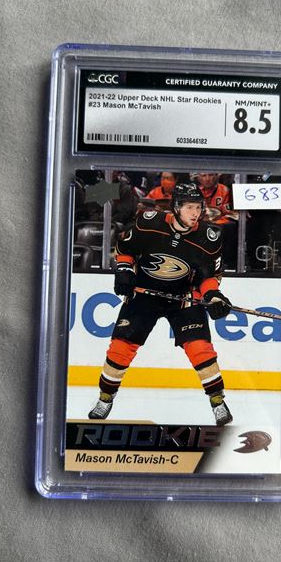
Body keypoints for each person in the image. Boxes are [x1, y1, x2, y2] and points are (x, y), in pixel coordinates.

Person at [88, 182, 234, 426]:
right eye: (189, 207)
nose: (196, 213)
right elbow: (125, 248)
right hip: (145, 294)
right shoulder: (149, 223)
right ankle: (105, 398)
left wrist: (213, 296)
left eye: (198, 207)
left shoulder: (209, 238)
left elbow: (208, 277)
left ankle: (217, 401)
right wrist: (124, 269)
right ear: (176, 207)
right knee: (120, 348)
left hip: (184, 297)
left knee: (200, 349)